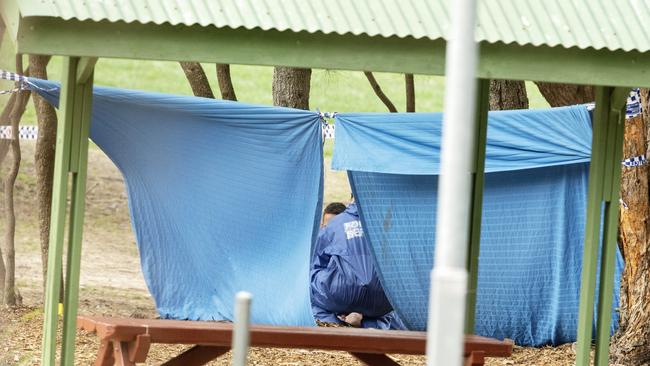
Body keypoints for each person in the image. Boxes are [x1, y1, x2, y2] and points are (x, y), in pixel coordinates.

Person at [310, 199, 404, 329]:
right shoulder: (390, 224)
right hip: (380, 298)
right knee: (389, 312)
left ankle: (335, 322)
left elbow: (317, 262)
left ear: (351, 199)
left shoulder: (335, 223)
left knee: (312, 291)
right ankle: (369, 324)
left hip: (341, 292)